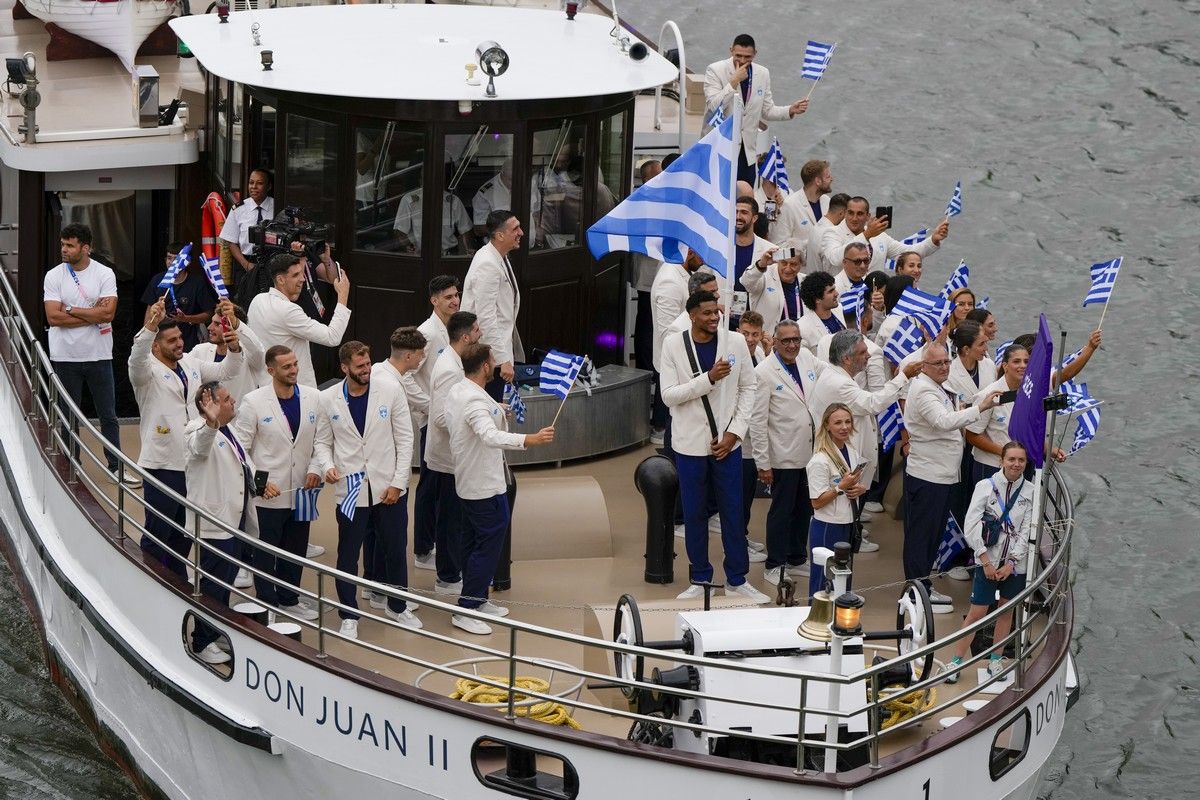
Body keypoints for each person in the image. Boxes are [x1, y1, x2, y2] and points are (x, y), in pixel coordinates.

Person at [659, 290, 770, 604]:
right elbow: (668, 395)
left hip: (727, 446)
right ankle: (701, 578)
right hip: (689, 446)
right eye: (706, 313)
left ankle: (737, 579)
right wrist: (708, 379)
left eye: (716, 312)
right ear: (692, 315)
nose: (713, 317)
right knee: (694, 515)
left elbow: (748, 387)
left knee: (733, 514)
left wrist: (735, 432)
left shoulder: (734, 342)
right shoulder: (673, 344)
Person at [445, 343, 555, 635]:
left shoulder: (460, 390)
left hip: (469, 481)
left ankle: (477, 598)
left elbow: (477, 417)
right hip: (484, 485)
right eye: (492, 361)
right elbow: (489, 435)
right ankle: (467, 608)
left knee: (472, 541)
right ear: (484, 367)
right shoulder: (474, 401)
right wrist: (529, 439)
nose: (495, 364)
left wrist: (499, 409)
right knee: (489, 544)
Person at [131, 298, 245, 578]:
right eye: (171, 340)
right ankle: (149, 580)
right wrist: (151, 325)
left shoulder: (191, 363)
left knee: (184, 531)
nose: (179, 343)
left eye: (180, 337)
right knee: (159, 530)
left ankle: (177, 579)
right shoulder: (144, 371)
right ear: (155, 346)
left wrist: (233, 348)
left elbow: (227, 371)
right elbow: (137, 355)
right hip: (162, 462)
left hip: (193, 461)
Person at [315, 341, 416, 639]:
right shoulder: (328, 398)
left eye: (368, 364)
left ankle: (398, 606)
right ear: (344, 367)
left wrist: (398, 482)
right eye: (359, 366)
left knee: (395, 550)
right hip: (350, 490)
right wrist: (327, 466)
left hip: (388, 488)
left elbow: (405, 439)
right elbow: (322, 442)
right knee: (347, 555)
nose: (366, 370)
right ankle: (348, 614)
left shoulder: (391, 390)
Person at [903, 343, 1001, 613]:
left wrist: (970, 405)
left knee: (932, 535)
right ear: (924, 366)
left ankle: (922, 585)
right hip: (928, 476)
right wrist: (980, 408)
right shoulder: (923, 390)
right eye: (938, 363)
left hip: (942, 474)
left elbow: (950, 411)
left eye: (947, 361)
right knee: (922, 536)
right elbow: (943, 421)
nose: (945, 367)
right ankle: (915, 592)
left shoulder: (936, 387)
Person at [231, 345, 323, 622]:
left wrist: (316, 469)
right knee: (266, 550)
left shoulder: (314, 397)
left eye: (295, 364)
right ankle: (266, 601)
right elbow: (241, 448)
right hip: (269, 494)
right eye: (287, 367)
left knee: (296, 548)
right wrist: (261, 483)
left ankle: (289, 598)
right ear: (271, 370)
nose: (294, 370)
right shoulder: (253, 402)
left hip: (303, 491)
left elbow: (322, 440)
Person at [810, 330, 922, 553]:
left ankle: (852, 535)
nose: (868, 356)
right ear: (846, 358)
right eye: (862, 353)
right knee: (842, 507)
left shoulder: (838, 376)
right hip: (839, 458)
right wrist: (903, 377)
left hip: (846, 453)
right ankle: (849, 542)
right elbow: (873, 403)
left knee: (849, 506)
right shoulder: (839, 383)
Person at [941, 441, 1036, 682]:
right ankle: (956, 662)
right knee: (977, 613)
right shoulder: (985, 486)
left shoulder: (1031, 491)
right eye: (1011, 459)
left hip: (1014, 566)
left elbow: (1027, 531)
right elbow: (971, 525)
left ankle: (996, 660)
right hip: (987, 561)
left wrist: (1011, 563)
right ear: (1001, 461)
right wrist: (985, 560)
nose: (1016, 464)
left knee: (1006, 611)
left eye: (1021, 460)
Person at [42, 223, 127, 482]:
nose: (64, 249)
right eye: (62, 244)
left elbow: (108, 314)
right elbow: (53, 317)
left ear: (85, 248)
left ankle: (115, 466)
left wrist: (69, 309)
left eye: (70, 245)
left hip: (99, 355)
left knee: (108, 416)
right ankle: (72, 463)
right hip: (65, 356)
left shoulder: (104, 274)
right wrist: (92, 314)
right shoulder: (53, 275)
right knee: (69, 415)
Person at [185, 381, 256, 665]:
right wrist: (210, 423)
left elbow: (242, 466)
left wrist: (260, 485)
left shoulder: (230, 429)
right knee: (213, 584)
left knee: (225, 582)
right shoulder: (195, 430)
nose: (233, 401)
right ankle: (201, 641)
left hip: (235, 521)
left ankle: (215, 631)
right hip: (215, 524)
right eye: (226, 399)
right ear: (209, 405)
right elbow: (200, 448)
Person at [750, 320, 824, 585]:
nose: (792, 345)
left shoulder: (807, 358)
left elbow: (831, 374)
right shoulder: (763, 373)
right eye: (786, 341)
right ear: (775, 342)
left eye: (796, 339)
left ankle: (796, 557)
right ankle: (775, 563)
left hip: (811, 452)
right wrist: (763, 463)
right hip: (782, 455)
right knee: (782, 511)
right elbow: (757, 422)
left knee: (805, 507)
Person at [424, 311, 482, 596]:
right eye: (477, 330)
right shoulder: (450, 369)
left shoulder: (455, 361)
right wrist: (475, 422)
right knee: (451, 519)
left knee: (455, 518)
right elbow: (440, 418)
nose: (481, 334)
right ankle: (447, 578)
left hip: (454, 456)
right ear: (466, 337)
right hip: (447, 458)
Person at [703, 34, 808, 185]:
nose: (742, 60)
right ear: (731, 51)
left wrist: (790, 110)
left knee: (746, 194)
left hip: (747, 153)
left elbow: (767, 110)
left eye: (747, 57)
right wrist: (734, 81)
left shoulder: (762, 73)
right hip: (721, 149)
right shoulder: (715, 70)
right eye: (738, 55)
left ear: (755, 54)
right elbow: (714, 106)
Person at [408, 276, 461, 569]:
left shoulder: (455, 328)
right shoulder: (426, 333)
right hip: (432, 420)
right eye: (448, 297)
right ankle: (422, 549)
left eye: (456, 295)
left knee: (445, 486)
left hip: (452, 419)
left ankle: (437, 542)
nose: (454, 301)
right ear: (434, 300)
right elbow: (406, 374)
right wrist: (430, 406)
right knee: (429, 485)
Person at [369, 326, 428, 584]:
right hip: (389, 473)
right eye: (421, 354)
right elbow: (400, 438)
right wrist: (398, 481)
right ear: (409, 356)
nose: (423, 358)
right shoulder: (390, 383)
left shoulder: (381, 372)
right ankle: (385, 590)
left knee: (375, 535)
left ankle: (373, 585)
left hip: (380, 471)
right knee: (390, 538)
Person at [247, 252, 351, 387]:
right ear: (280, 280)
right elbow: (332, 337)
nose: (302, 279)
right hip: (294, 390)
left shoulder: (258, 300)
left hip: (265, 386)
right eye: (295, 275)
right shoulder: (288, 310)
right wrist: (343, 295)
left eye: (302, 273)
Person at [461, 210, 524, 401]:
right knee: (490, 408)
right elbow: (485, 317)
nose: (521, 232)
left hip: (496, 352)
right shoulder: (487, 263)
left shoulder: (500, 256)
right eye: (515, 229)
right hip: (488, 358)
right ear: (500, 235)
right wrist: (502, 359)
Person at [805, 403, 864, 598]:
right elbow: (816, 502)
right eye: (838, 423)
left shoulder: (852, 452)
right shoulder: (819, 461)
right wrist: (840, 488)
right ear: (827, 426)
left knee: (843, 579)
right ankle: (817, 614)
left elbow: (853, 484)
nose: (844, 427)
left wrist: (860, 489)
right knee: (823, 581)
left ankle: (842, 614)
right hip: (827, 526)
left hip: (847, 523)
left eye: (847, 422)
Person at [821, 197, 947, 275]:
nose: (854, 218)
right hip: (844, 297)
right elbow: (835, 258)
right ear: (845, 214)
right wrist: (866, 235)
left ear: (868, 216)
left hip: (875, 298)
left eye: (859, 214)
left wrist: (933, 240)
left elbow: (908, 254)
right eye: (850, 213)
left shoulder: (879, 235)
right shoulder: (832, 233)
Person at [967, 344, 1028, 483]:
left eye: (1026, 361)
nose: (1023, 365)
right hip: (991, 466)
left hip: (1018, 466)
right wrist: (1004, 453)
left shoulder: (1028, 393)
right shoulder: (987, 395)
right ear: (1005, 366)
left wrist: (1049, 450)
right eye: (1016, 361)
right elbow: (972, 435)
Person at [190, 300, 265, 412]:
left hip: (240, 419)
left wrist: (237, 324)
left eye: (217, 324)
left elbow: (258, 351)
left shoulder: (250, 354)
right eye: (212, 322)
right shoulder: (199, 351)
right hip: (207, 420)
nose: (209, 327)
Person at [140, 242, 217, 351]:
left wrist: (186, 318)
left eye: (176, 259)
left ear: (187, 262)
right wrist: (147, 338)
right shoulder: (157, 280)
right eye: (169, 258)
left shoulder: (197, 283)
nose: (171, 262)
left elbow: (209, 315)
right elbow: (149, 313)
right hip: (161, 340)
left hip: (189, 342)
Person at [220, 169, 274, 278]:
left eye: (259, 183)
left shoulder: (276, 207)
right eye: (251, 182)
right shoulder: (238, 209)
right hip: (245, 263)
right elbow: (231, 242)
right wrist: (246, 264)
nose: (254, 187)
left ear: (269, 187)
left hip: (271, 263)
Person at [472, 158, 541, 245]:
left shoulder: (530, 184)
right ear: (502, 173)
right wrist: (504, 229)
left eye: (518, 179)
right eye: (511, 180)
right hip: (501, 250)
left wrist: (539, 229)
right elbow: (479, 229)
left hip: (529, 247)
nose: (515, 184)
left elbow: (537, 213)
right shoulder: (486, 193)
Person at [731, 196, 776, 322]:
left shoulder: (770, 250)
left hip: (756, 320)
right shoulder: (720, 245)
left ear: (755, 218)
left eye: (744, 212)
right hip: (724, 318)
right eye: (735, 212)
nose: (738, 216)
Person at [741, 239, 805, 326]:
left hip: (799, 333)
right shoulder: (764, 276)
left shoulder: (806, 281)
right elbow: (746, 282)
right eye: (784, 263)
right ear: (778, 261)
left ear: (801, 264)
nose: (788, 269)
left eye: (793, 264)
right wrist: (761, 264)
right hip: (769, 334)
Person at [772, 160, 832, 246]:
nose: (831, 179)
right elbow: (778, 244)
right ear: (818, 181)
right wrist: (803, 248)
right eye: (828, 177)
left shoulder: (827, 201)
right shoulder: (789, 205)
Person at [797, 272, 846, 351]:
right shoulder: (803, 328)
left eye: (834, 289)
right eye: (831, 291)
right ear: (817, 299)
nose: (836, 294)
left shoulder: (840, 309)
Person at [805, 193, 849, 274]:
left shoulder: (816, 227)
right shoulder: (830, 235)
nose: (852, 218)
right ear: (842, 213)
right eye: (850, 213)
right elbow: (832, 270)